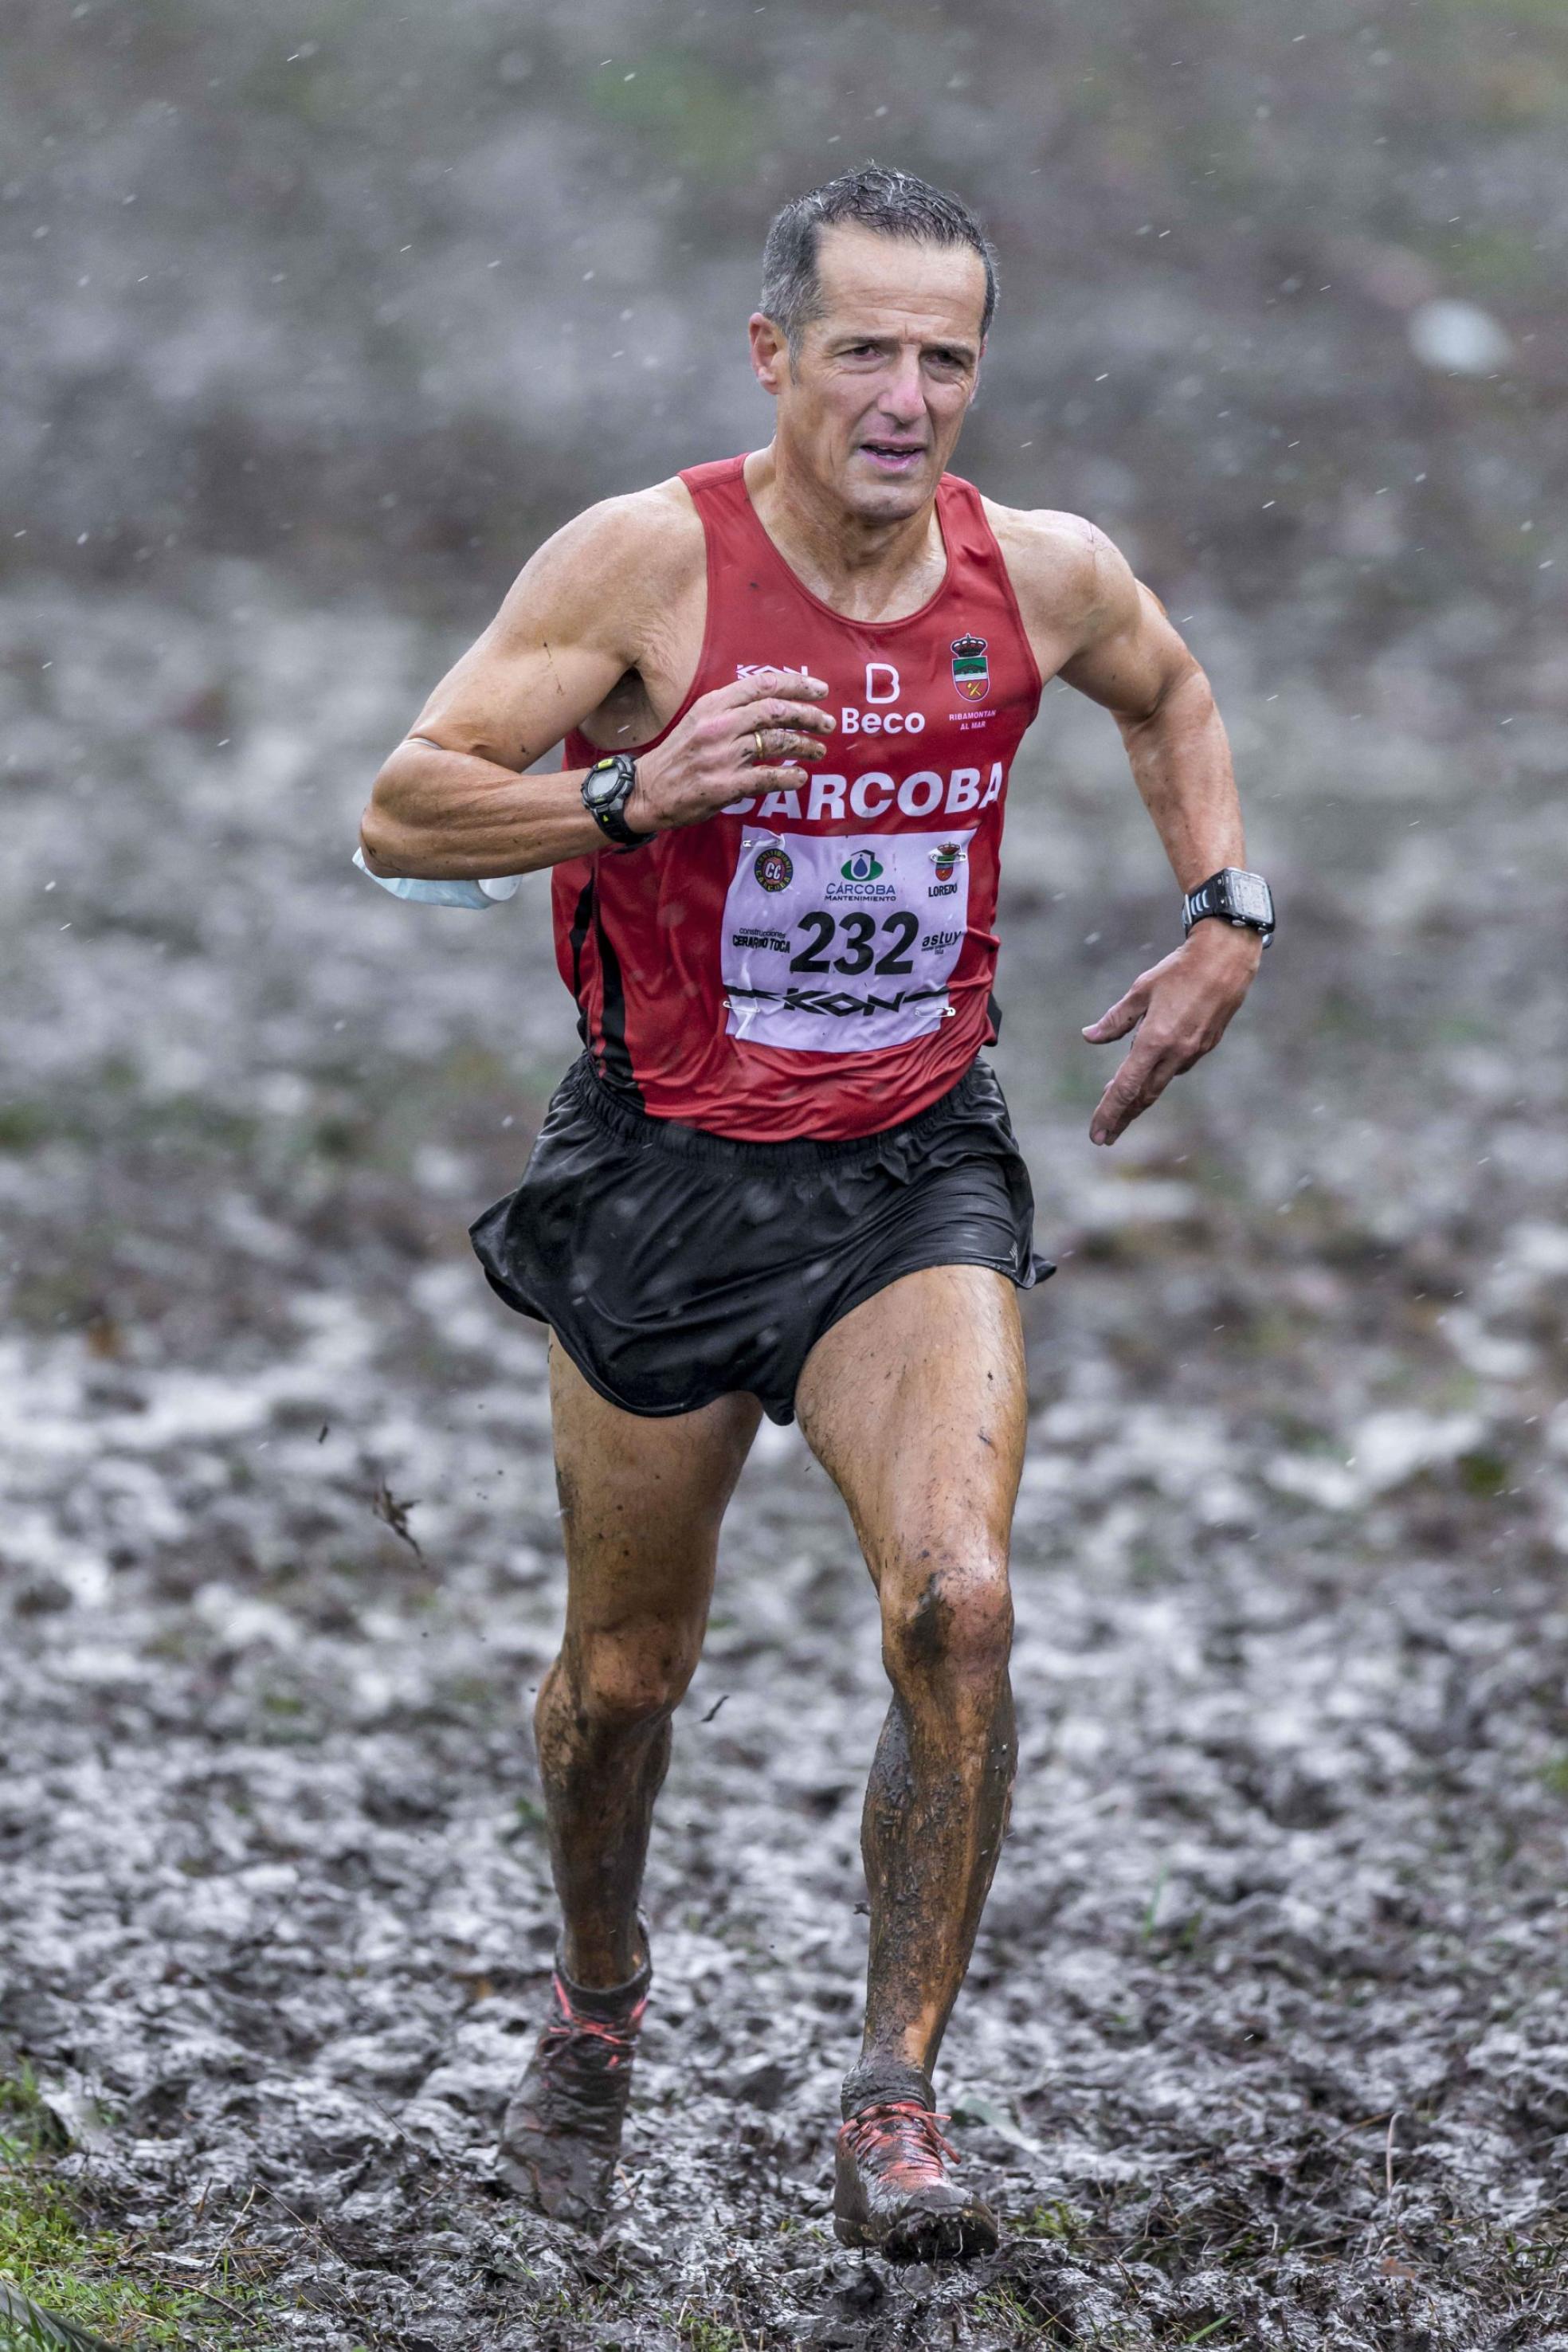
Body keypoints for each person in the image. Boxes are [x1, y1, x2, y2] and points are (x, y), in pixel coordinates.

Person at [359, 163, 1272, 2261]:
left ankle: (896, 2099)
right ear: (774, 355)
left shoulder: (1032, 575)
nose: (907, 394)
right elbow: (400, 809)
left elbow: (1172, 693)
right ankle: (597, 2006)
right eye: (863, 347)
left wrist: (1227, 909)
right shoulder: (639, 567)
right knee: (625, 1676)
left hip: (908, 1169)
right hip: (666, 1170)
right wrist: (629, 794)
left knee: (958, 1600)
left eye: (946, 355)